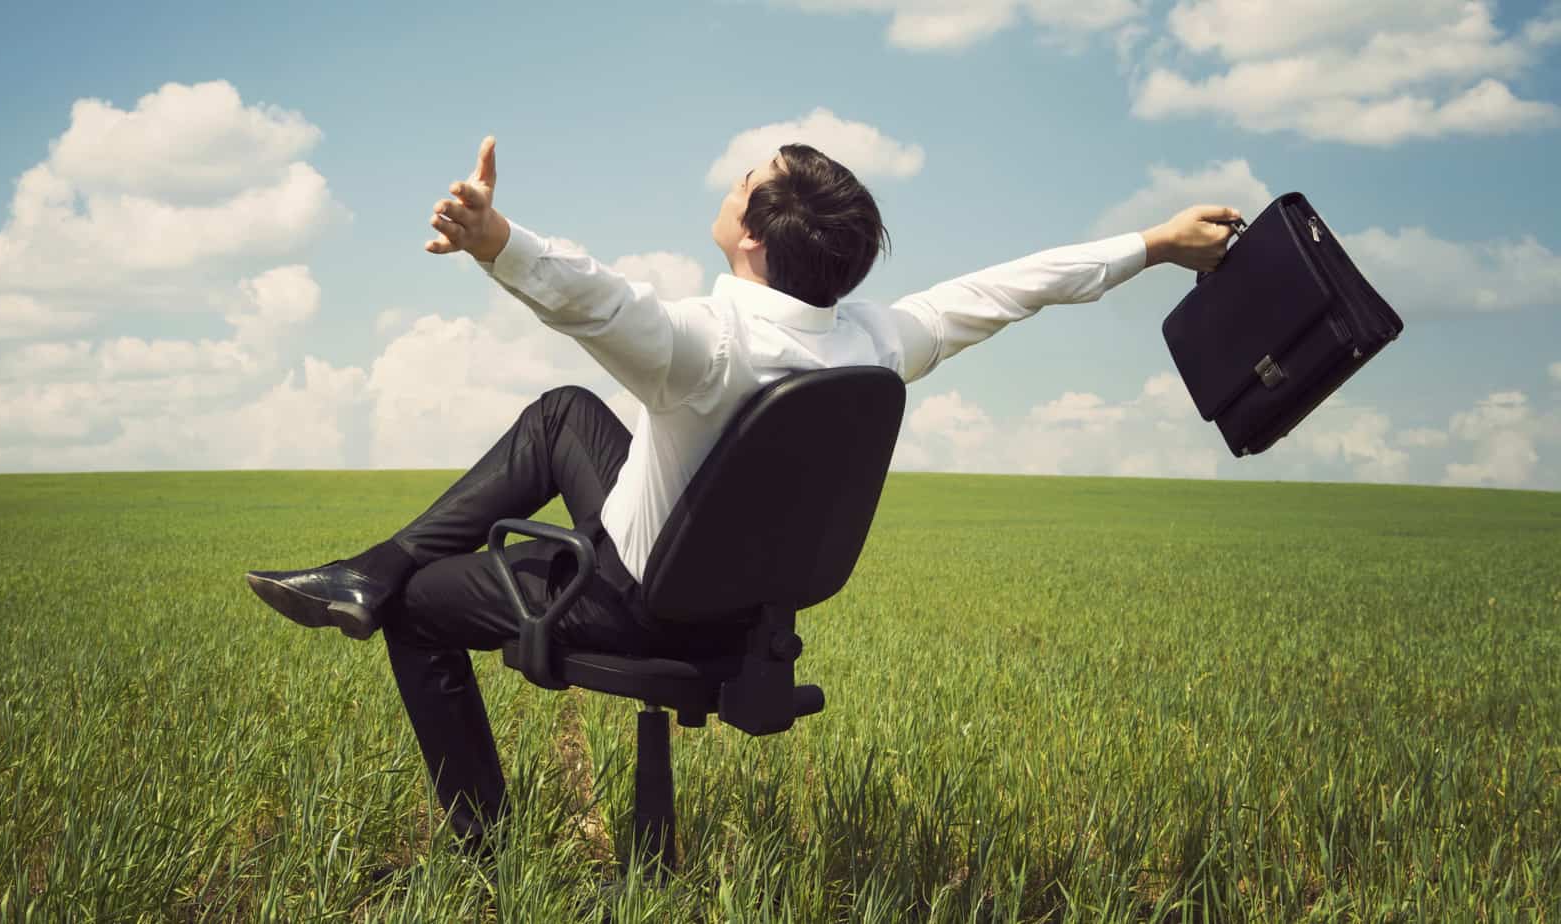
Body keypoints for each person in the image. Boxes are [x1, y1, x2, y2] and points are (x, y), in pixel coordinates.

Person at [245, 136, 1239, 851]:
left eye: (744, 182)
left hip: (634, 608)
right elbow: (1006, 289)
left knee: (420, 611)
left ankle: (482, 846)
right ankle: (369, 567)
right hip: (742, 616)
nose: (732, 183)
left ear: (755, 239)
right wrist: (1150, 244)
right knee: (561, 416)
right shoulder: (876, 344)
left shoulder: (706, 349)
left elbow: (597, 299)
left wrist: (498, 238)